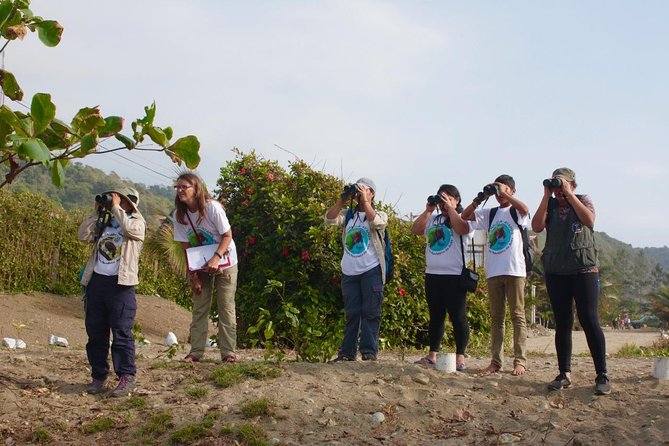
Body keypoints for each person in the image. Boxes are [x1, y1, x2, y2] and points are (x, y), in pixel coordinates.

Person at [531, 167, 610, 395]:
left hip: (583, 269)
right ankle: (564, 373)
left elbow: (589, 220)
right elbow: (536, 226)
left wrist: (570, 195)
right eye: (555, 185)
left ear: (573, 185)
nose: (558, 190)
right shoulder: (551, 204)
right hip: (556, 271)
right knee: (562, 322)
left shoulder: (583, 199)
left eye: (562, 184)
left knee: (589, 319)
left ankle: (602, 373)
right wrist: (546, 195)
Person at [78, 186, 146, 397]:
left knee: (122, 333)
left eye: (121, 199)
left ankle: (126, 377)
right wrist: (97, 211)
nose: (115, 202)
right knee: (96, 333)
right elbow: (83, 236)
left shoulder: (137, 223)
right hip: (97, 282)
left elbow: (129, 230)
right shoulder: (105, 223)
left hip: (121, 286)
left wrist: (117, 207)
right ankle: (98, 375)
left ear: (130, 202)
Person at [461, 174, 529, 377]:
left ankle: (520, 361)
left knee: (518, 316)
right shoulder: (490, 213)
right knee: (497, 318)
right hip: (494, 271)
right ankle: (496, 362)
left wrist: (504, 192)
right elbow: (465, 217)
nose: (499, 194)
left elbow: (525, 209)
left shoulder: (516, 211)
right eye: (497, 190)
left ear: (513, 191)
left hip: (515, 270)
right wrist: (481, 198)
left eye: (505, 190)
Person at [173, 173, 239, 363]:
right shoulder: (179, 215)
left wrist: (216, 258)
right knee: (200, 306)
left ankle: (228, 353)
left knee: (226, 305)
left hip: (225, 259)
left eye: (184, 187)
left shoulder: (212, 208)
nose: (180, 191)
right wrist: (193, 276)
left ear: (196, 188)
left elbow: (227, 235)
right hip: (200, 263)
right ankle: (196, 352)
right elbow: (185, 246)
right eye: (178, 187)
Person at [325, 178, 388, 362]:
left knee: (371, 312)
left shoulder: (380, 213)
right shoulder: (348, 215)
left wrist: (366, 202)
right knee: (352, 313)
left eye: (365, 189)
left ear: (372, 193)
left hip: (372, 270)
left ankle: (369, 353)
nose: (360, 193)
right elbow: (329, 219)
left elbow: (377, 223)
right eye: (358, 190)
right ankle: (346, 353)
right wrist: (343, 199)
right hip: (350, 272)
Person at [411, 185, 473, 371]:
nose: (443, 203)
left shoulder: (463, 217)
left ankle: (460, 356)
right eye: (441, 200)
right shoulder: (434, 219)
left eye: (448, 199)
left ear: (457, 199)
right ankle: (432, 355)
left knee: (458, 317)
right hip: (433, 274)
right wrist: (429, 209)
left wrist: (451, 209)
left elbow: (462, 229)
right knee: (436, 316)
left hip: (454, 275)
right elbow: (415, 229)